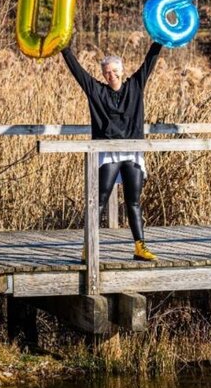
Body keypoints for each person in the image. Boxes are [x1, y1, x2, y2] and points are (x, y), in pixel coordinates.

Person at [61, 41, 163, 261]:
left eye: (115, 71)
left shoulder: (135, 85)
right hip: (108, 152)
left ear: (122, 70)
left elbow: (150, 61)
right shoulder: (96, 91)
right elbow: (77, 71)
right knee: (99, 200)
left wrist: (160, 38)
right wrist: (64, 48)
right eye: (107, 72)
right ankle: (88, 248)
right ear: (103, 74)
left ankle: (140, 247)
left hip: (132, 151)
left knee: (133, 201)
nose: (111, 75)